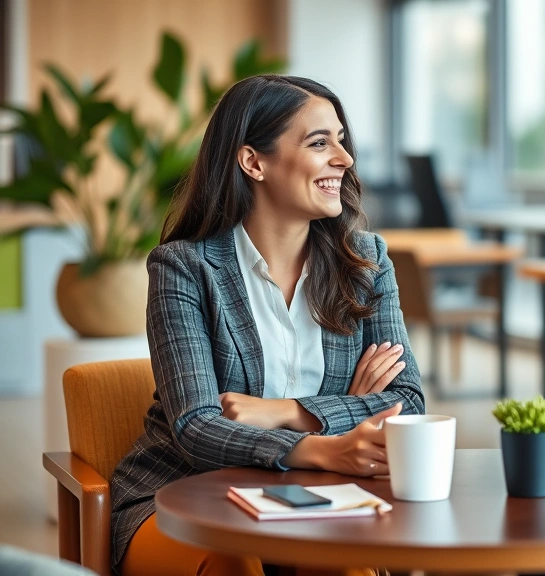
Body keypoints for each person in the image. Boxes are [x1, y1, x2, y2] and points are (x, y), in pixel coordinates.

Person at [109, 75, 425, 576]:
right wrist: (327, 444)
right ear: (254, 161)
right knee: (235, 564)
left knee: (349, 564)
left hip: (320, 500)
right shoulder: (183, 268)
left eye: (342, 141)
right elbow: (196, 427)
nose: (344, 159)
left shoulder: (366, 262)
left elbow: (406, 401)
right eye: (320, 142)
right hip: (184, 495)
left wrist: (284, 412)